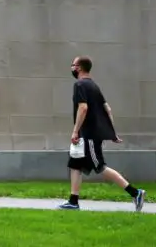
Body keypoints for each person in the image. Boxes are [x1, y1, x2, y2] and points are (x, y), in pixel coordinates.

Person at [60, 56, 146, 212]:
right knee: (75, 165)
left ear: (79, 67)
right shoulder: (94, 86)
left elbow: (83, 108)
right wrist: (113, 132)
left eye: (73, 65)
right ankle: (73, 201)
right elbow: (108, 109)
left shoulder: (79, 84)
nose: (71, 68)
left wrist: (75, 130)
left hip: (89, 135)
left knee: (99, 167)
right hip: (87, 135)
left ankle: (135, 192)